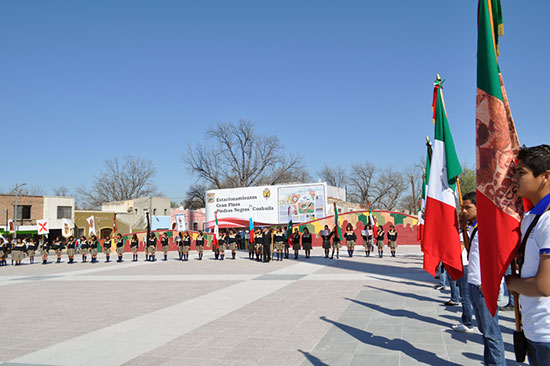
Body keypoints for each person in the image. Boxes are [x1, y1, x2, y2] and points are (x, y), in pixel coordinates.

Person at [506, 145, 550, 365]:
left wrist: (511, 283)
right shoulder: (533, 217)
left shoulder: (549, 221)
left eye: (521, 172)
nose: (514, 179)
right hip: (534, 327)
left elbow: (544, 286)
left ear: (545, 176)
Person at [462, 191, 505, 365]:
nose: (464, 211)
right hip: (474, 283)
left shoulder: (488, 228)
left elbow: (498, 257)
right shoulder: (473, 227)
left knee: (491, 332)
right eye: (463, 207)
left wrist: (492, 282)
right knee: (485, 331)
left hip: (483, 286)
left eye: (468, 207)